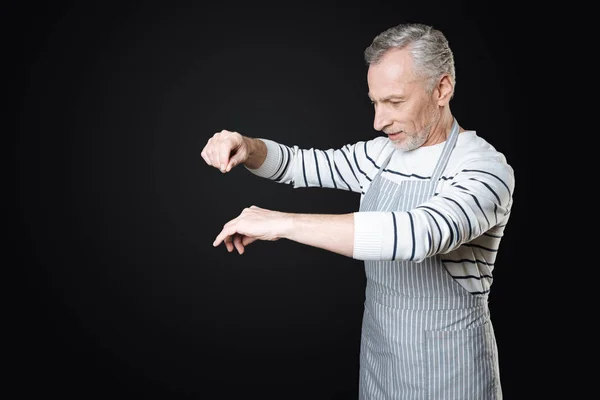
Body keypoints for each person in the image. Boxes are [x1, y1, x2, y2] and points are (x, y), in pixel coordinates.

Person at [201, 22, 514, 400]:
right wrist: (245, 145)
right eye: (374, 102)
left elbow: (417, 235)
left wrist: (282, 222)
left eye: (394, 102)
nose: (378, 122)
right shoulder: (382, 156)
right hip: (382, 365)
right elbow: (300, 164)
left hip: (452, 375)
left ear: (442, 89)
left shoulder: (484, 168)